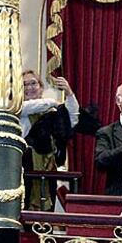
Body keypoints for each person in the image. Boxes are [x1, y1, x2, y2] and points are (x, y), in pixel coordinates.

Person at [20, 70, 80, 210]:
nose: (29, 88)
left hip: (48, 166)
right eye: (24, 85)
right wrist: (53, 102)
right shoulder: (17, 109)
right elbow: (27, 107)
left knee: (47, 211)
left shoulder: (51, 111)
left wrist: (69, 93)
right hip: (23, 167)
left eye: (33, 83)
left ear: (41, 87)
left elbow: (73, 118)